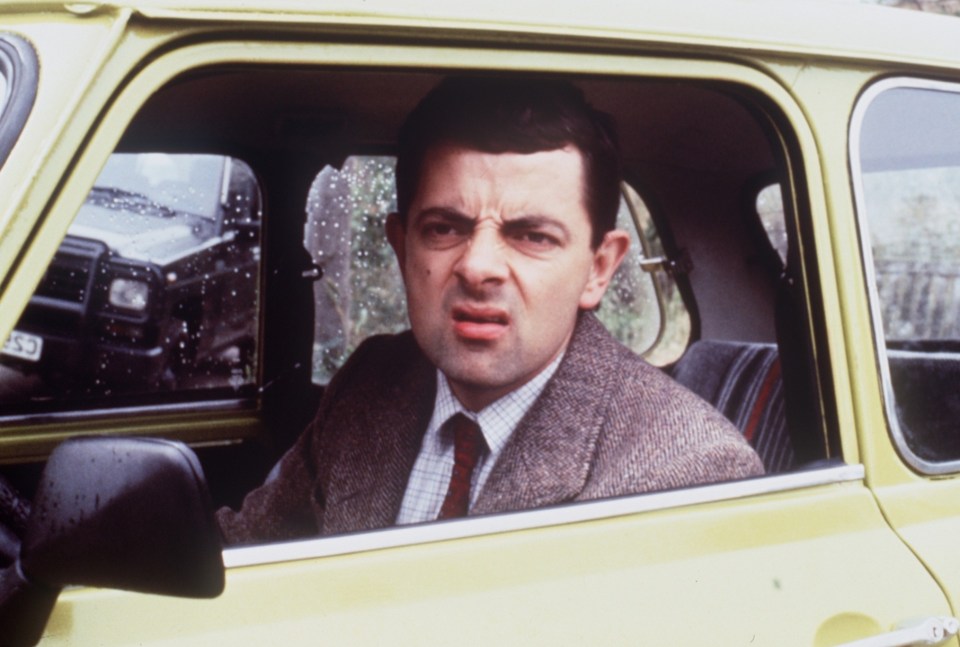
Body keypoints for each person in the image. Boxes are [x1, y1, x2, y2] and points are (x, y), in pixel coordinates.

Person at [216, 77, 764, 544]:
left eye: (532, 236)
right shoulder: (371, 380)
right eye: (444, 228)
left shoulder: (691, 474)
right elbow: (240, 557)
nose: (478, 267)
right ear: (402, 247)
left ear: (599, 268)